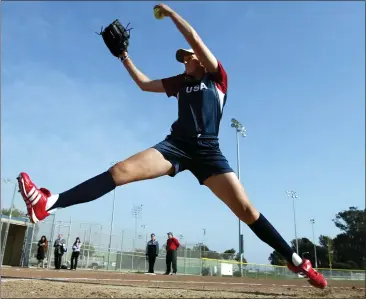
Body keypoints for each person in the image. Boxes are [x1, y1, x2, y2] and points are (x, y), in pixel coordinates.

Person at [15, 3, 326, 288]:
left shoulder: (217, 78)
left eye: (188, 56)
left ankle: (297, 261)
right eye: (184, 58)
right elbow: (142, 83)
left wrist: (173, 15)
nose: (185, 60)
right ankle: (48, 202)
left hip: (209, 152)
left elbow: (195, 38)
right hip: (175, 146)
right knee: (119, 171)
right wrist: (124, 56)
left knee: (246, 210)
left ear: (201, 61)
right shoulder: (181, 83)